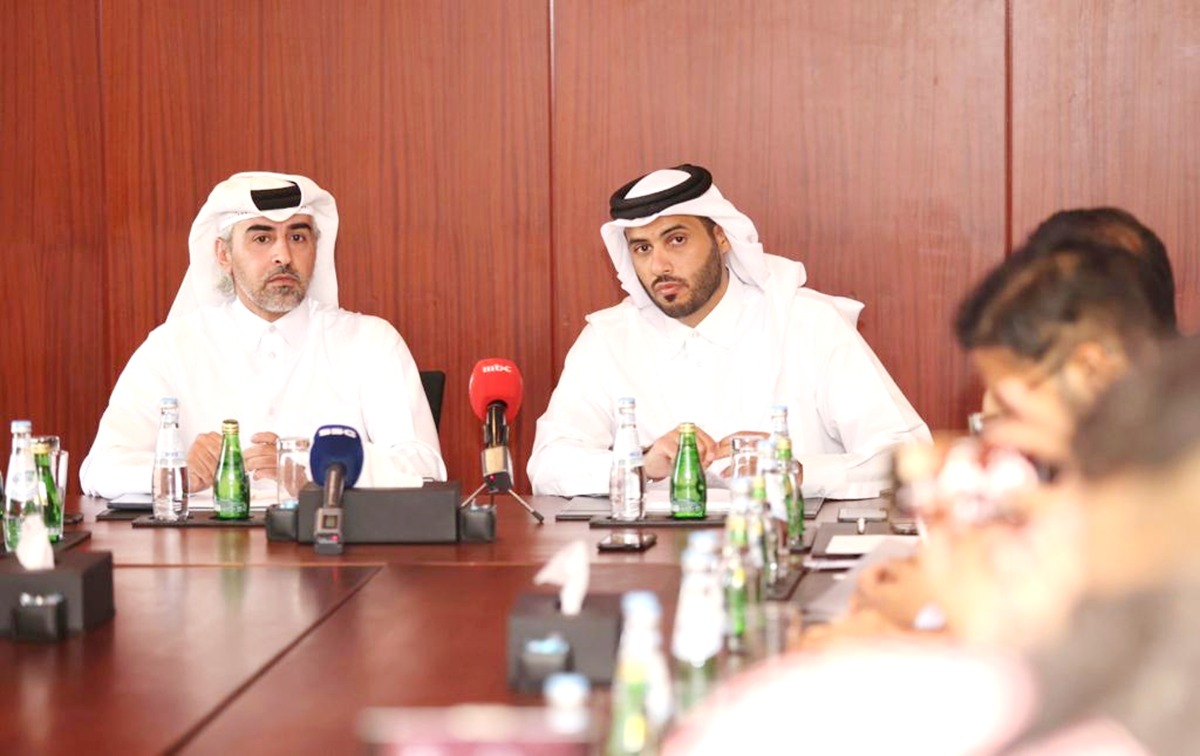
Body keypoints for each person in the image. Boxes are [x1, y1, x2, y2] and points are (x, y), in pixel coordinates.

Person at [527, 164, 928, 499]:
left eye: (677, 240)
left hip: (792, 555)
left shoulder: (807, 323)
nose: (658, 266)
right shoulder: (608, 340)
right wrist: (640, 463)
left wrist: (795, 472)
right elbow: (548, 465)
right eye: (642, 248)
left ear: (721, 239)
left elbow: (910, 459)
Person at [81, 172, 445, 498]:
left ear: (316, 249)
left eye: (298, 236)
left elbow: (426, 469)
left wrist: (316, 468)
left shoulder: (371, 343)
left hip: (332, 562)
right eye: (261, 238)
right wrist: (173, 473)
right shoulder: (171, 349)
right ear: (223, 254)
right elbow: (100, 468)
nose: (283, 255)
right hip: (206, 564)